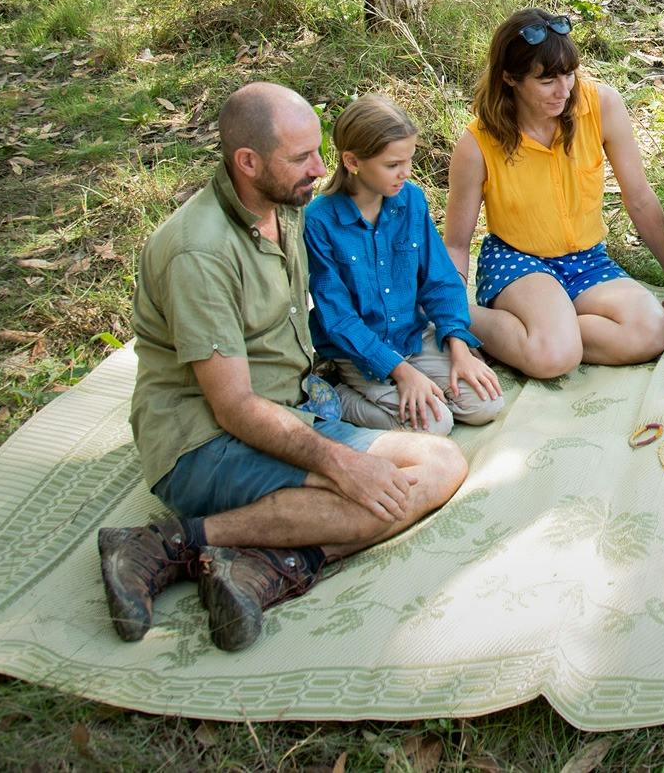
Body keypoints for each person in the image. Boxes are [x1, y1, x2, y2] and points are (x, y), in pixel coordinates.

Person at [97, 83, 466, 653]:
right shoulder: (200, 252)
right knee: (372, 498)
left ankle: (255, 564)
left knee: (439, 464)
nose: (320, 171)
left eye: (319, 152)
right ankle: (177, 539)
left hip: (291, 410)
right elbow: (233, 407)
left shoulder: (284, 207)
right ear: (248, 162)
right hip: (205, 440)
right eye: (302, 158)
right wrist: (341, 464)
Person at [444, 9, 664, 378]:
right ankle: (460, 318)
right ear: (510, 78)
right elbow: (457, 244)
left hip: (587, 259)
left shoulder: (602, 105)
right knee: (553, 359)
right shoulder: (477, 144)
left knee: (652, 331)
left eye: (568, 74)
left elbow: (638, 196)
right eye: (546, 82)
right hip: (519, 261)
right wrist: (451, 325)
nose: (564, 90)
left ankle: (546, 329)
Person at [305, 93, 505, 434]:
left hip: (413, 333)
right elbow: (338, 318)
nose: (405, 173)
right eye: (392, 165)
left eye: (409, 160)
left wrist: (458, 344)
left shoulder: (410, 199)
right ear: (352, 161)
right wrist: (401, 372)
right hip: (359, 353)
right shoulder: (319, 221)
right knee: (434, 425)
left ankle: (419, 384)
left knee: (486, 403)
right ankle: (337, 395)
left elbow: (440, 280)